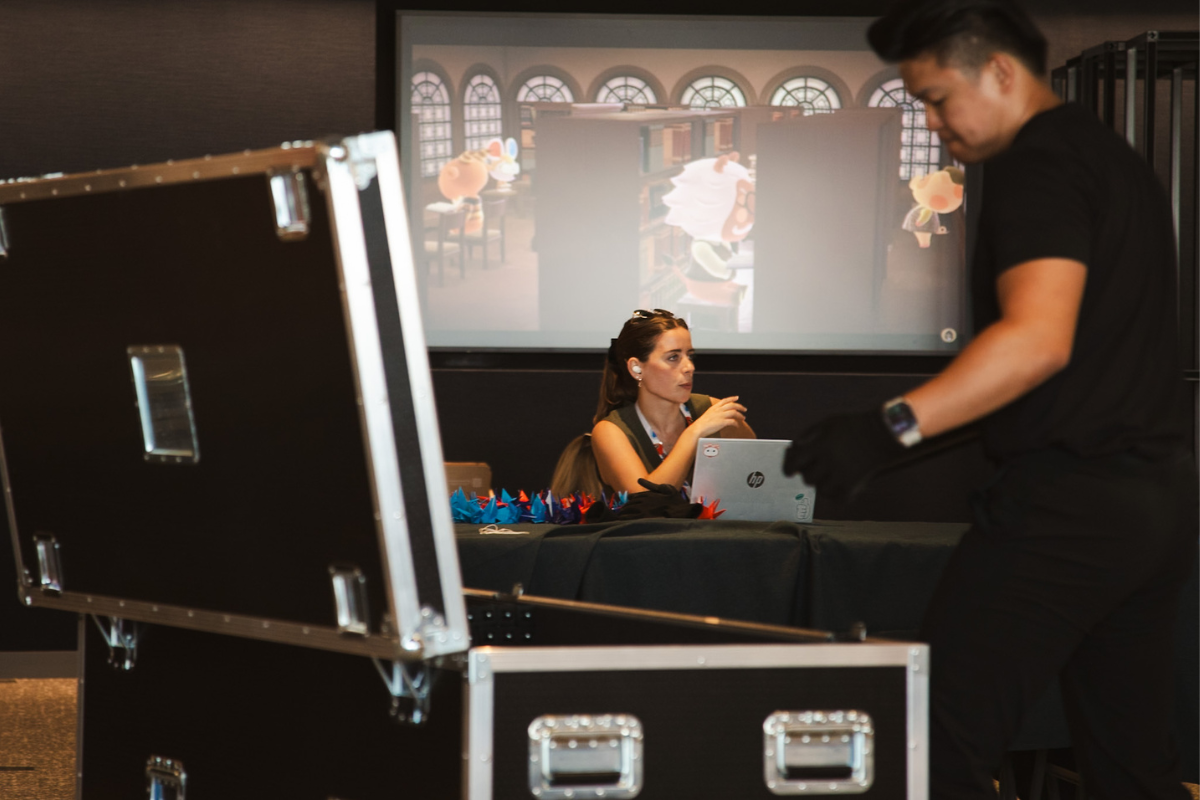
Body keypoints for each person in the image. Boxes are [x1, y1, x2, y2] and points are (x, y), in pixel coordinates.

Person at [784, 1, 1197, 797]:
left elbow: (1036, 342)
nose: (932, 123)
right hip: (1157, 505)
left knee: (932, 746)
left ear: (1001, 71)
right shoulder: (1109, 159)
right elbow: (1076, 367)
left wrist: (885, 431)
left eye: (938, 98)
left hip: (1069, 508)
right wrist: (900, 444)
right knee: (1132, 768)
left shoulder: (1037, 164)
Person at [587, 308, 754, 494]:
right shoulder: (610, 431)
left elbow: (760, 474)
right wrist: (693, 434)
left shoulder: (712, 410)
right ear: (636, 368)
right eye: (673, 357)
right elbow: (645, 501)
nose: (689, 367)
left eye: (690, 356)